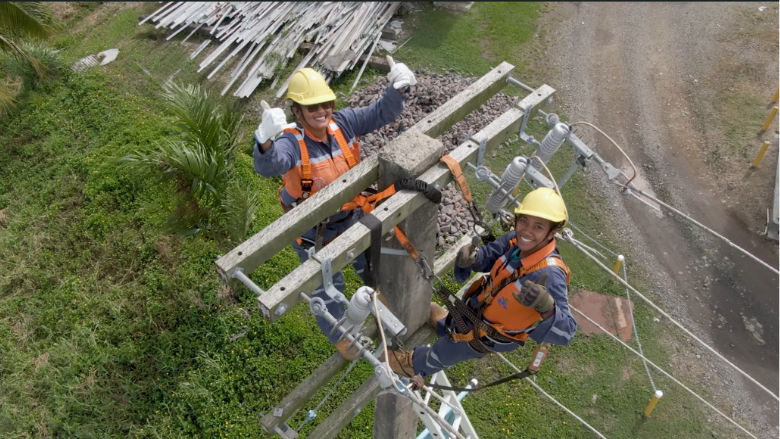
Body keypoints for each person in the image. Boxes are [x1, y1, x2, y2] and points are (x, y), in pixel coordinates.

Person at [253, 63, 416, 359]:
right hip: (316, 232)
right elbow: (270, 165)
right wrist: (264, 140)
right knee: (328, 286)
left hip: (351, 215)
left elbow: (381, 113)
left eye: (326, 103)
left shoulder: (343, 124)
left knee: (370, 261)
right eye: (311, 106)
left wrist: (398, 89)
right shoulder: (291, 143)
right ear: (297, 111)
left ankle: (379, 302)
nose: (322, 110)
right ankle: (341, 334)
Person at [385, 187, 577, 377]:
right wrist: (470, 259)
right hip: (477, 308)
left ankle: (414, 365)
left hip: (489, 334)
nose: (526, 231)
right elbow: (490, 255)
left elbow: (567, 332)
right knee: (456, 324)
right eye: (524, 221)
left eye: (538, 226)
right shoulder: (514, 241)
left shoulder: (550, 274)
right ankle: (446, 325)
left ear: (552, 232)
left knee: (448, 349)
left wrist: (547, 307)